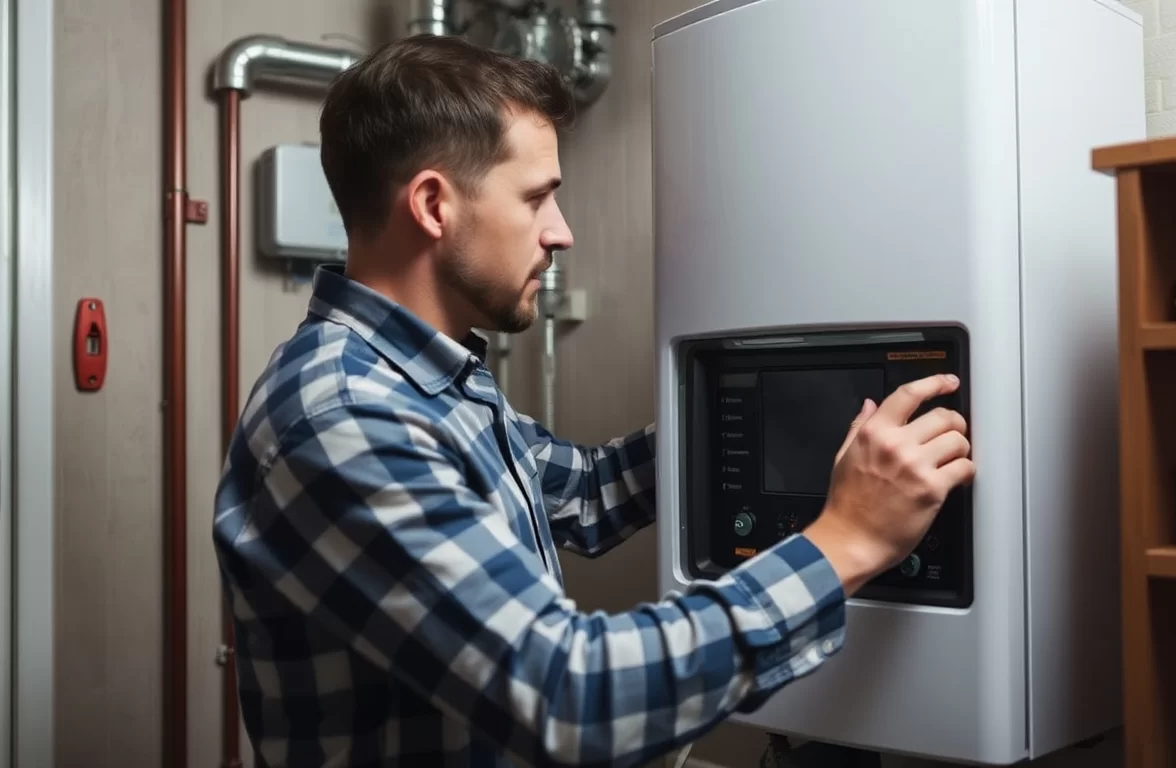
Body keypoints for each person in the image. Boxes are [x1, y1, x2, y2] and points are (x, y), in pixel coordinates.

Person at [211, 34, 975, 768]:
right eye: (537, 198)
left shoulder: (429, 380)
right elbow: (570, 696)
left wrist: (761, 417)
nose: (562, 233)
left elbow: (586, 490)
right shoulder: (347, 415)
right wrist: (849, 539)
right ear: (435, 205)